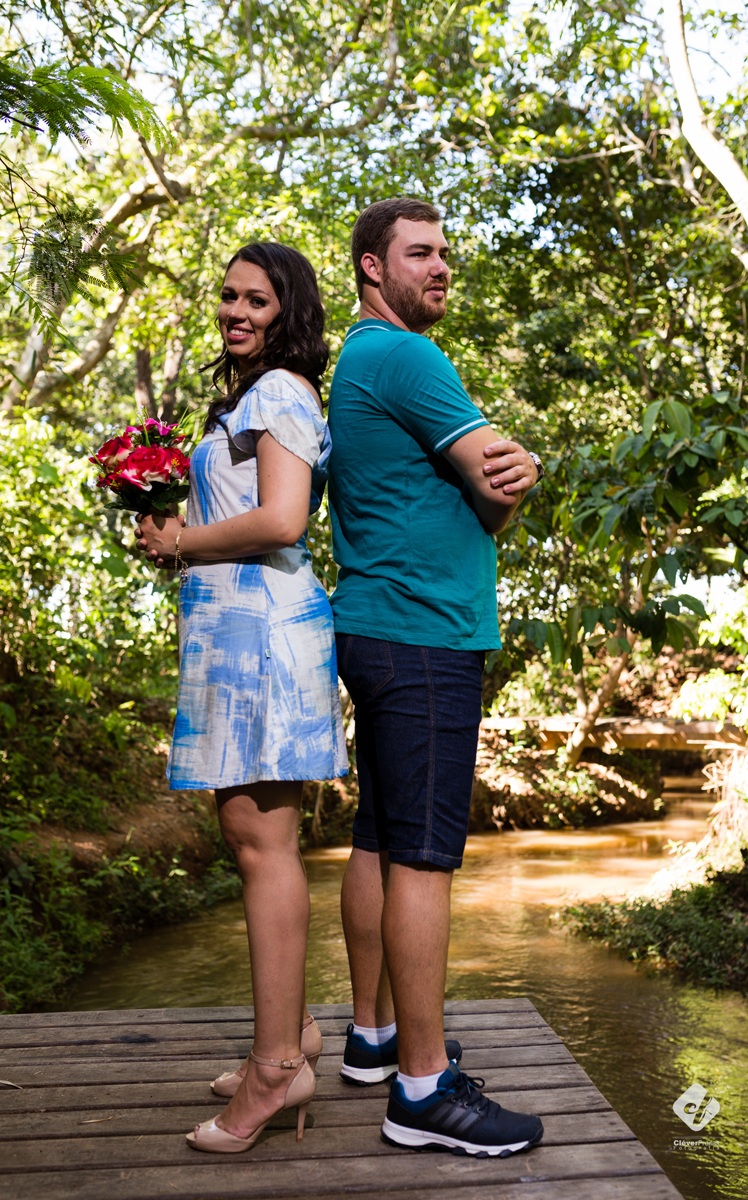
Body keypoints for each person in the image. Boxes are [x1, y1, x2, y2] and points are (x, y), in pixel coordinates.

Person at [327, 197, 545, 1156]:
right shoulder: (408, 356)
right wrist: (513, 480)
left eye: (445, 252)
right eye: (420, 254)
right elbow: (493, 480)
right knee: (423, 854)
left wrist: (486, 492)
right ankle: (421, 1090)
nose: (441, 267)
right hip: (423, 638)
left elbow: (464, 491)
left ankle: (376, 1038)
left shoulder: (357, 357)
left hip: (379, 628)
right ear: (374, 268)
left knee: (379, 837)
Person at [135, 242, 348, 1154]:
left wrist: (183, 540)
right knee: (261, 841)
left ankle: (274, 1075)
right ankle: (293, 1038)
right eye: (228, 296)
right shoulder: (255, 395)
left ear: (287, 310)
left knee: (262, 846)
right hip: (240, 629)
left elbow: (283, 520)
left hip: (264, 631)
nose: (236, 310)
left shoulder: (280, 394)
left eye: (257, 299)